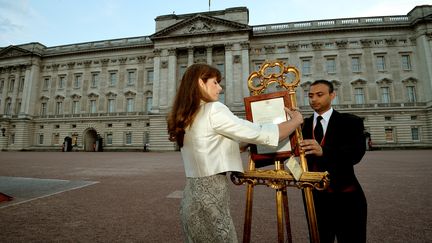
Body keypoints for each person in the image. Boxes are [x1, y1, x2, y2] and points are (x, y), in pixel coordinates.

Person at [167, 63, 303, 243]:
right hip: (211, 198)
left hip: (191, 197)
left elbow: (212, 146)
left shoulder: (188, 114)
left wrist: (244, 143)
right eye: (215, 82)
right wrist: (296, 121)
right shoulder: (214, 109)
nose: (220, 88)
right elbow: (263, 133)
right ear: (201, 82)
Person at [300, 80, 367, 243]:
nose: (313, 99)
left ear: (332, 95)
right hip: (315, 198)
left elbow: (356, 154)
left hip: (346, 196)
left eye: (319, 95)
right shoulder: (302, 126)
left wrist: (324, 151)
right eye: (310, 95)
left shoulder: (351, 122)